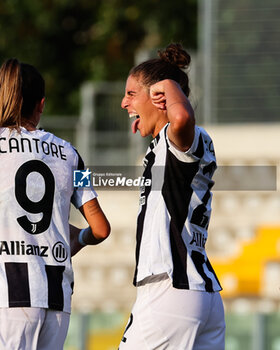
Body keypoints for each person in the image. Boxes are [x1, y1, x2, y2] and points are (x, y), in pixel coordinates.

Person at [118, 43, 225, 350]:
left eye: (131, 93)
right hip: (200, 294)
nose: (124, 103)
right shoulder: (165, 148)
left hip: (170, 290)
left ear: (159, 97)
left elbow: (180, 119)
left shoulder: (176, 139)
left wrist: (168, 84)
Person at [0, 58, 110, 350]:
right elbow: (100, 228)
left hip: (6, 295)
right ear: (41, 104)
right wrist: (81, 236)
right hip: (57, 298)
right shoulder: (71, 153)